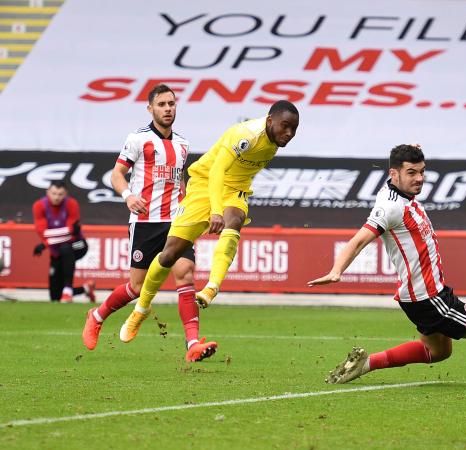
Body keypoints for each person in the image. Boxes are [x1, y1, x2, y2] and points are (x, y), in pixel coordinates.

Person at [308, 144, 466, 385]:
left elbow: (403, 166)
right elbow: (358, 241)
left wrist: (411, 147)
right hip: (428, 298)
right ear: (394, 174)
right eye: (412, 172)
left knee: (439, 352)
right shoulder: (390, 207)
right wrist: (336, 271)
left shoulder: (396, 191)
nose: (419, 178)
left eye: (422, 172)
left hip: (420, 296)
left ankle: (366, 364)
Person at [119, 100, 300, 342]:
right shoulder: (245, 135)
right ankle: (140, 310)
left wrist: (225, 208)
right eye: (285, 126)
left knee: (235, 219)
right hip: (205, 184)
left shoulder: (274, 140)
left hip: (235, 189)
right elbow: (216, 171)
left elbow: (237, 175)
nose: (288, 134)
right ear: (269, 121)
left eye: (294, 129)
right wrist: (215, 211)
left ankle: (211, 288)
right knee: (169, 255)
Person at [81, 84, 217, 361]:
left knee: (186, 274)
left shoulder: (182, 145)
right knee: (137, 288)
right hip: (145, 222)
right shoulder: (137, 139)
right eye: (162, 104)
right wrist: (128, 196)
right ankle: (96, 315)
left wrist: (191, 207)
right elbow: (116, 174)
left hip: (177, 222)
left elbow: (180, 181)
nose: (168, 109)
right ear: (150, 109)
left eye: (172, 104)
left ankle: (192, 344)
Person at [32, 180, 95, 303]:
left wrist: (45, 243)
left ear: (65, 193)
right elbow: (43, 232)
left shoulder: (72, 204)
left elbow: (71, 235)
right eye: (54, 193)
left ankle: (67, 291)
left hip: (78, 244)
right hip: (56, 249)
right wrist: (66, 231)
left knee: (66, 249)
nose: (57, 197)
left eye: (60, 194)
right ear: (47, 192)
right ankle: (86, 288)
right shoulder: (39, 206)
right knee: (55, 296)